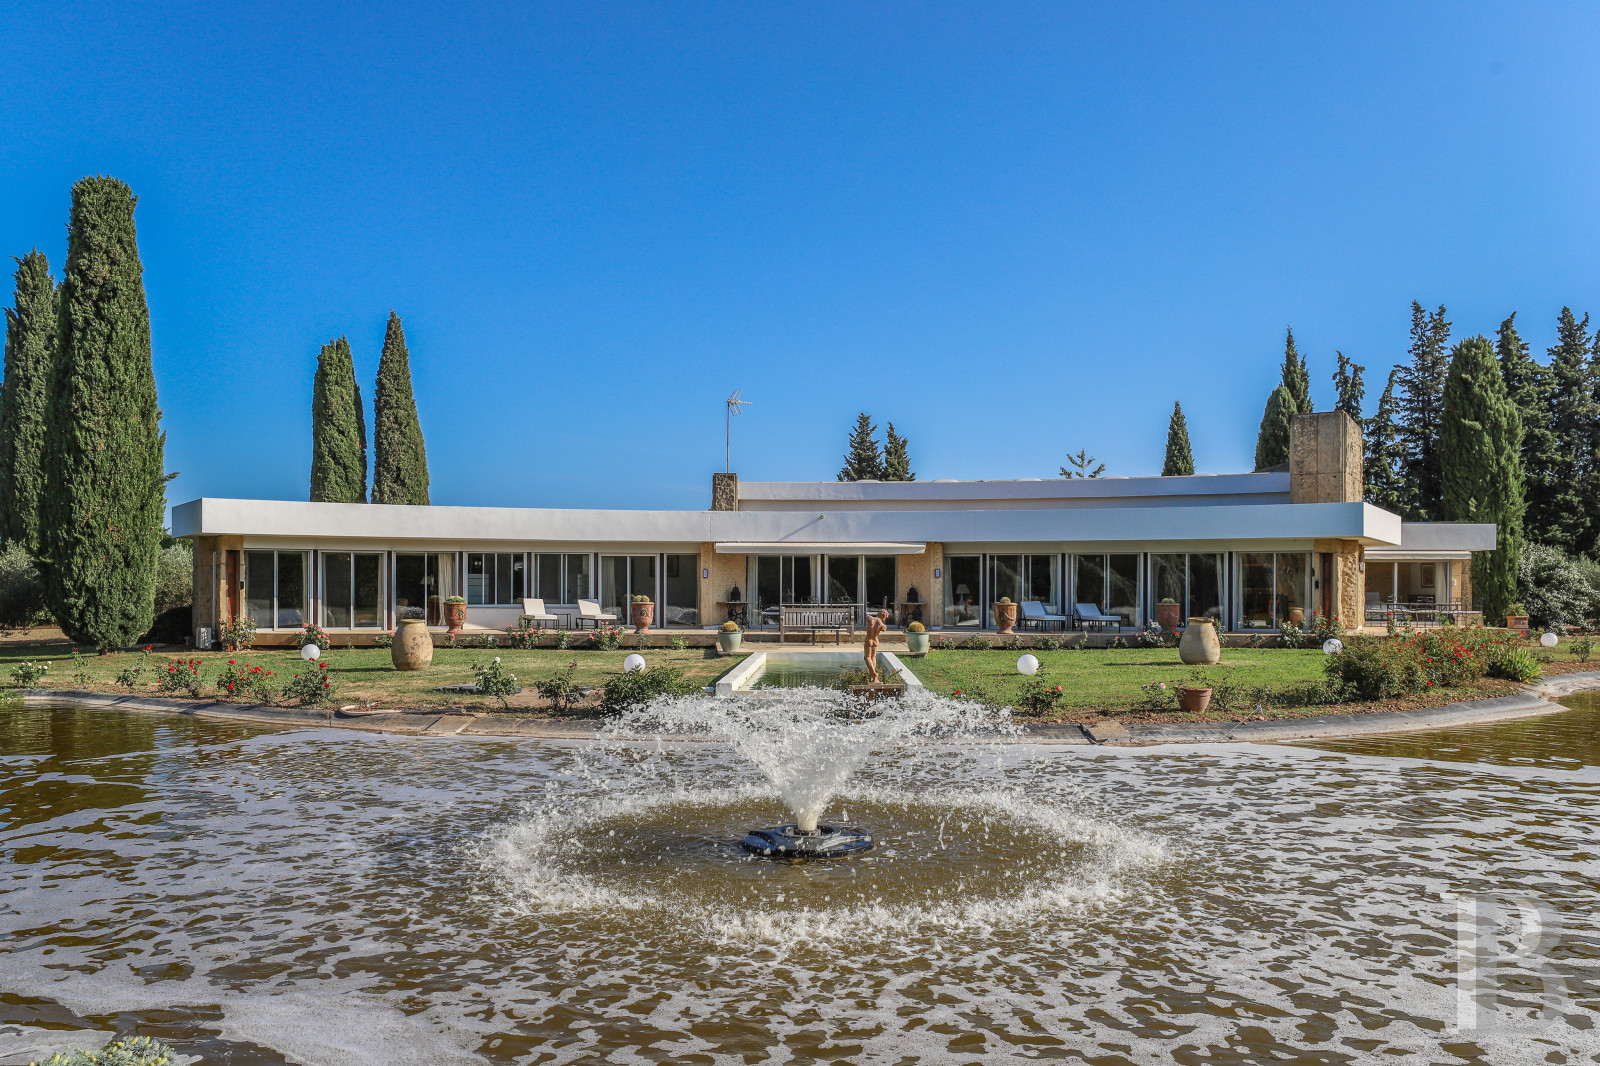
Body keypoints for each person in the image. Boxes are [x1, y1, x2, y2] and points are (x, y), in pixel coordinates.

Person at [863, 608, 890, 683]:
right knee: (873, 657)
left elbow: (867, 618)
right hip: (875, 640)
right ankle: (873, 677)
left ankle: (873, 673)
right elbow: (884, 628)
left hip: (869, 640)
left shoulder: (871, 619)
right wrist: (883, 626)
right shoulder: (881, 623)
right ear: (885, 616)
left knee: (867, 657)